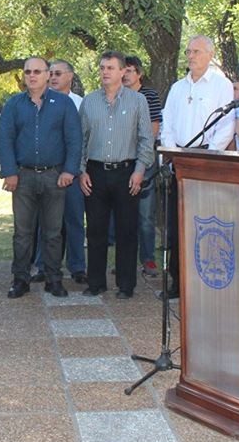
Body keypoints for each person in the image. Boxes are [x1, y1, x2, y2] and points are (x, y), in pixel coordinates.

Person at [159, 36, 235, 299]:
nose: (190, 56)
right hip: (178, 159)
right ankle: (177, 280)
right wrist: (171, 153)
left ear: (210, 55)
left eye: (196, 51)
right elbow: (167, 123)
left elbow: (226, 126)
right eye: (188, 51)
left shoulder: (221, 85)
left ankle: (203, 279)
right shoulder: (178, 87)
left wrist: (210, 159)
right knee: (176, 226)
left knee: (203, 223)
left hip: (206, 160)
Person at [0, 57, 81, 299]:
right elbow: (5, 140)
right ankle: (20, 280)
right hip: (22, 177)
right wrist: (10, 172)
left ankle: (54, 280)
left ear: (47, 75)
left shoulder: (64, 104)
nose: (32, 76)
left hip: (54, 176)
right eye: (28, 72)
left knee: (53, 232)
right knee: (22, 233)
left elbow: (74, 140)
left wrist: (69, 170)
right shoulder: (14, 104)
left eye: (37, 71)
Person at [78, 52, 154, 298]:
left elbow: (146, 139)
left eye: (110, 67)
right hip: (95, 173)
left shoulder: (137, 101)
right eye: (102, 67)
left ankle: (126, 285)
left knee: (127, 231)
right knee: (96, 231)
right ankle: (96, 282)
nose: (105, 72)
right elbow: (81, 140)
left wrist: (140, 171)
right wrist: (81, 172)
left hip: (127, 173)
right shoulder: (89, 102)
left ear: (123, 72)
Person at [35, 59, 87, 285]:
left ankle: (77, 266)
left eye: (58, 73)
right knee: (45, 221)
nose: (53, 77)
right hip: (46, 171)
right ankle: (43, 265)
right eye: (51, 73)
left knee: (74, 219)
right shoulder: (39, 101)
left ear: (70, 76)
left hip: (73, 172)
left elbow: (83, 140)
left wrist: (77, 169)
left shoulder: (81, 104)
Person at [122, 55, 163, 278]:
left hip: (144, 161)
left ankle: (148, 259)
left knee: (145, 215)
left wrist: (142, 158)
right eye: (124, 70)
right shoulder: (116, 96)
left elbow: (154, 129)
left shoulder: (149, 95)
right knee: (123, 214)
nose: (126, 75)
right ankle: (124, 260)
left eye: (130, 70)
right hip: (121, 162)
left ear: (139, 73)